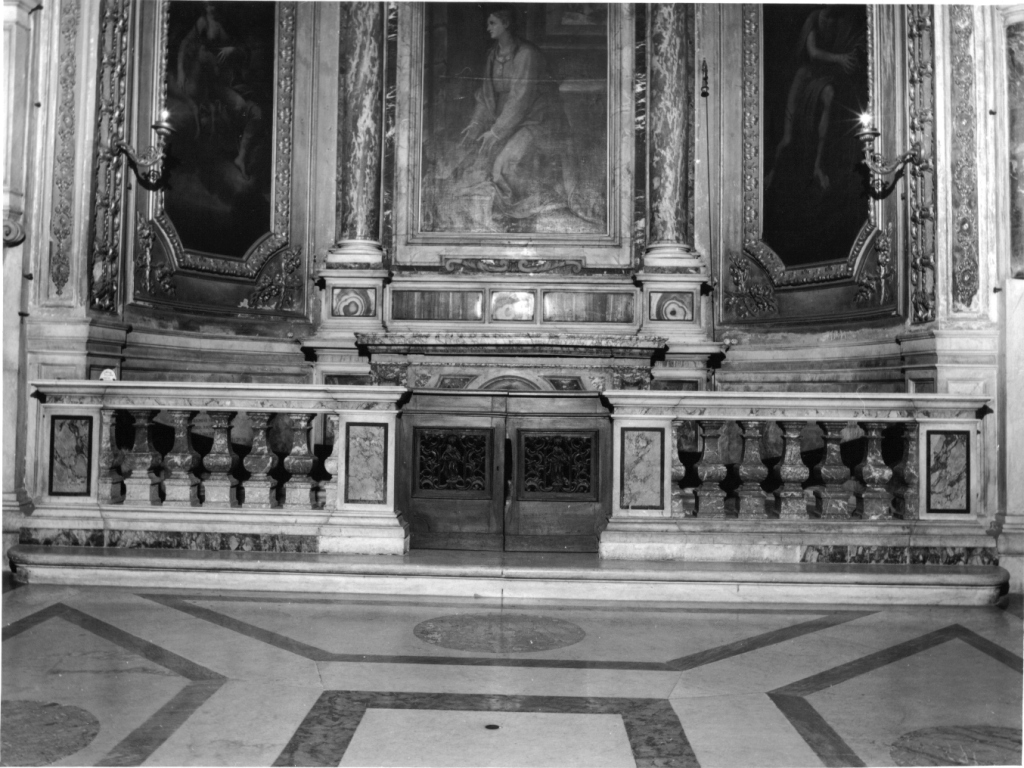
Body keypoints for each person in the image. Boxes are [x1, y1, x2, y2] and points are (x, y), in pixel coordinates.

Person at [457, 10, 590, 229]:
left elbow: (521, 98)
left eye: (492, 23)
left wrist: (495, 132)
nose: (488, 28)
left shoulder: (527, 54)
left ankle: (534, 208)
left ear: (506, 23)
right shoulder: (493, 55)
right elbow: (486, 96)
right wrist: (476, 123)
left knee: (504, 166)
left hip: (538, 120)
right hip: (507, 121)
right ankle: (510, 215)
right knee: (477, 166)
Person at [765, 7, 864, 191]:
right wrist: (841, 58)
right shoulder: (814, 18)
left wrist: (852, 57)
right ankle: (771, 173)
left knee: (830, 95)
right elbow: (813, 52)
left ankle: (818, 166)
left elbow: (855, 43)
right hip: (804, 79)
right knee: (787, 139)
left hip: (826, 79)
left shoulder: (843, 21)